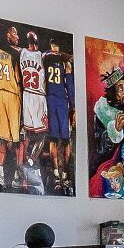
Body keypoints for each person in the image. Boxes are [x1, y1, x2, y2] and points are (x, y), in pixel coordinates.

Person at [43, 37, 75, 195]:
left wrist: (73, 107)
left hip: (55, 100)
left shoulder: (47, 57)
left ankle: (61, 172)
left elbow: (69, 83)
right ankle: (60, 173)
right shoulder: (56, 58)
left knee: (59, 139)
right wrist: (73, 106)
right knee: (58, 139)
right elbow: (70, 85)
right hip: (58, 100)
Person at [18, 30, 49, 185]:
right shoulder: (42, 55)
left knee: (28, 135)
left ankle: (26, 167)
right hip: (38, 96)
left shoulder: (21, 52)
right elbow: (53, 55)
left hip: (26, 95)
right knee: (43, 135)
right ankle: (30, 162)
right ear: (37, 41)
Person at [0, 43, 22, 189]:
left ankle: (0, 176)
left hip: (0, 95)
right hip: (12, 96)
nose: (17, 38)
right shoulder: (14, 55)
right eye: (15, 34)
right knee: (15, 140)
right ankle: (16, 175)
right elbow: (18, 79)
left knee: (1, 139)